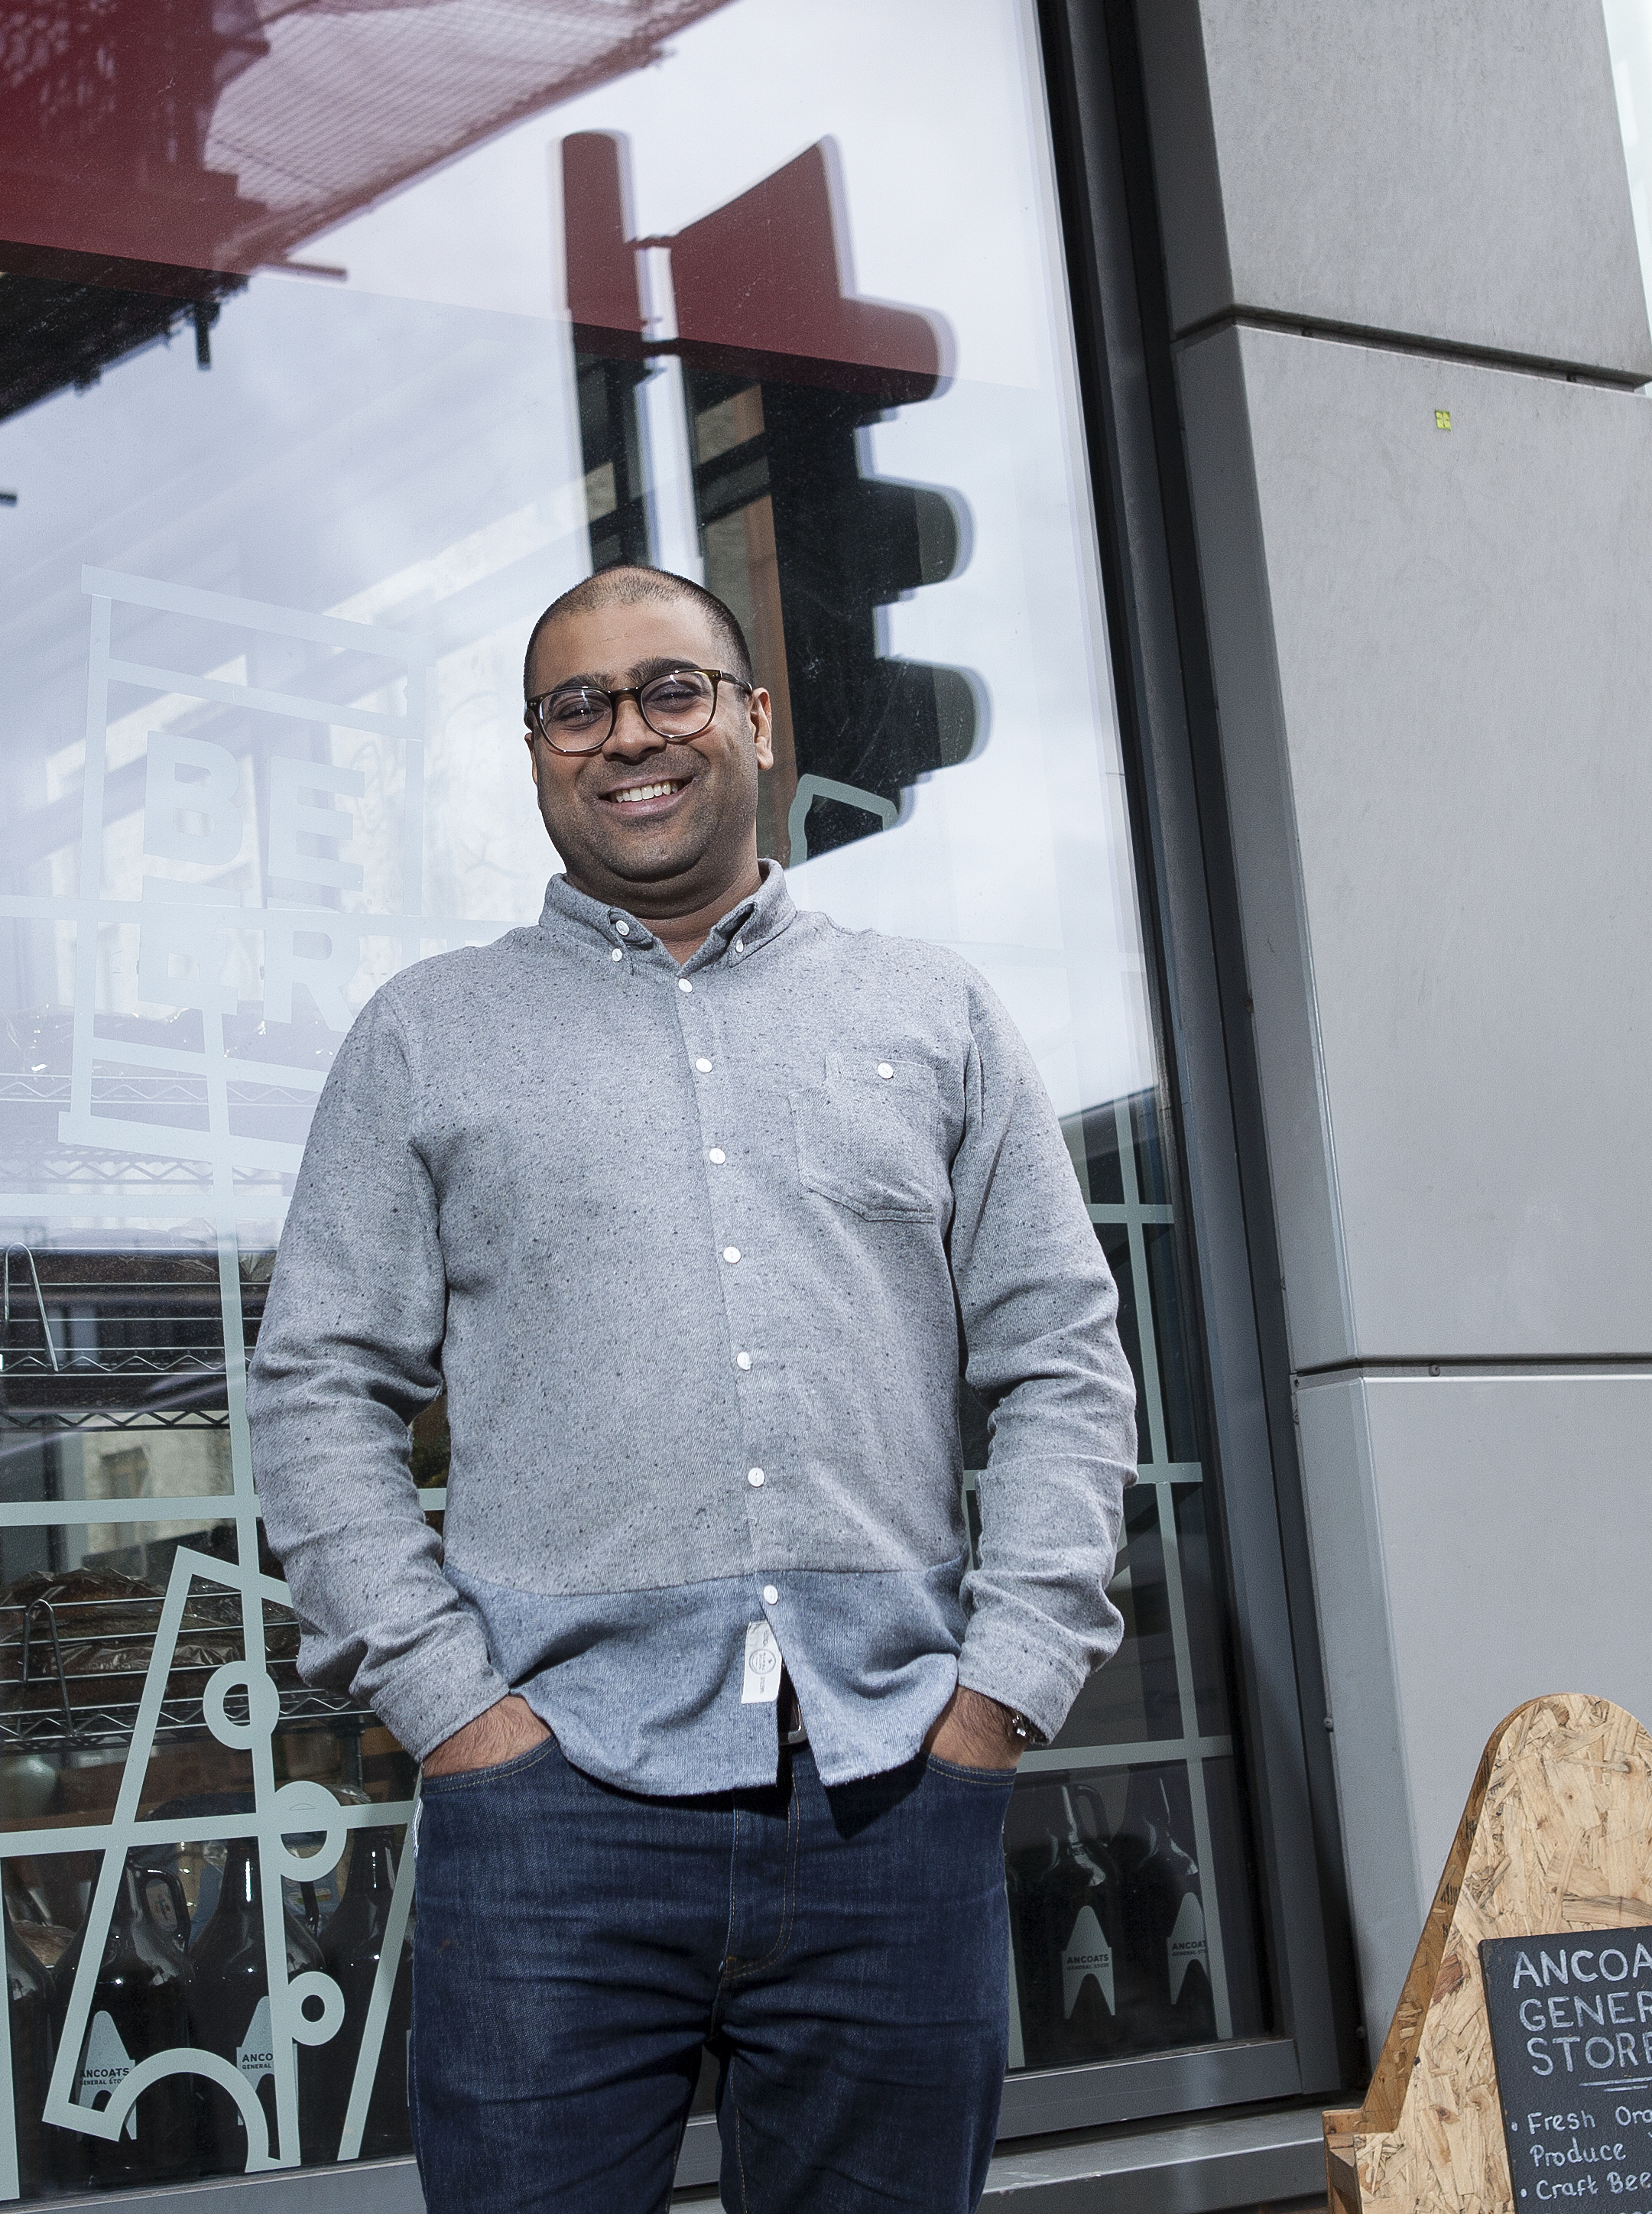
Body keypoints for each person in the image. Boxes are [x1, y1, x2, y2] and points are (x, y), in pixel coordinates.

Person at [246, 563, 1139, 2214]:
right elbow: (317, 1391)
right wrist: (455, 1714)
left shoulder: (930, 1015)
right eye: (575, 706)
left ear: (752, 718)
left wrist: (998, 1696)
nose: (627, 736)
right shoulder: (425, 1037)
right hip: (549, 1811)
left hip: (892, 1789)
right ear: (535, 754)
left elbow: (1063, 1362)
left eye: (670, 689)